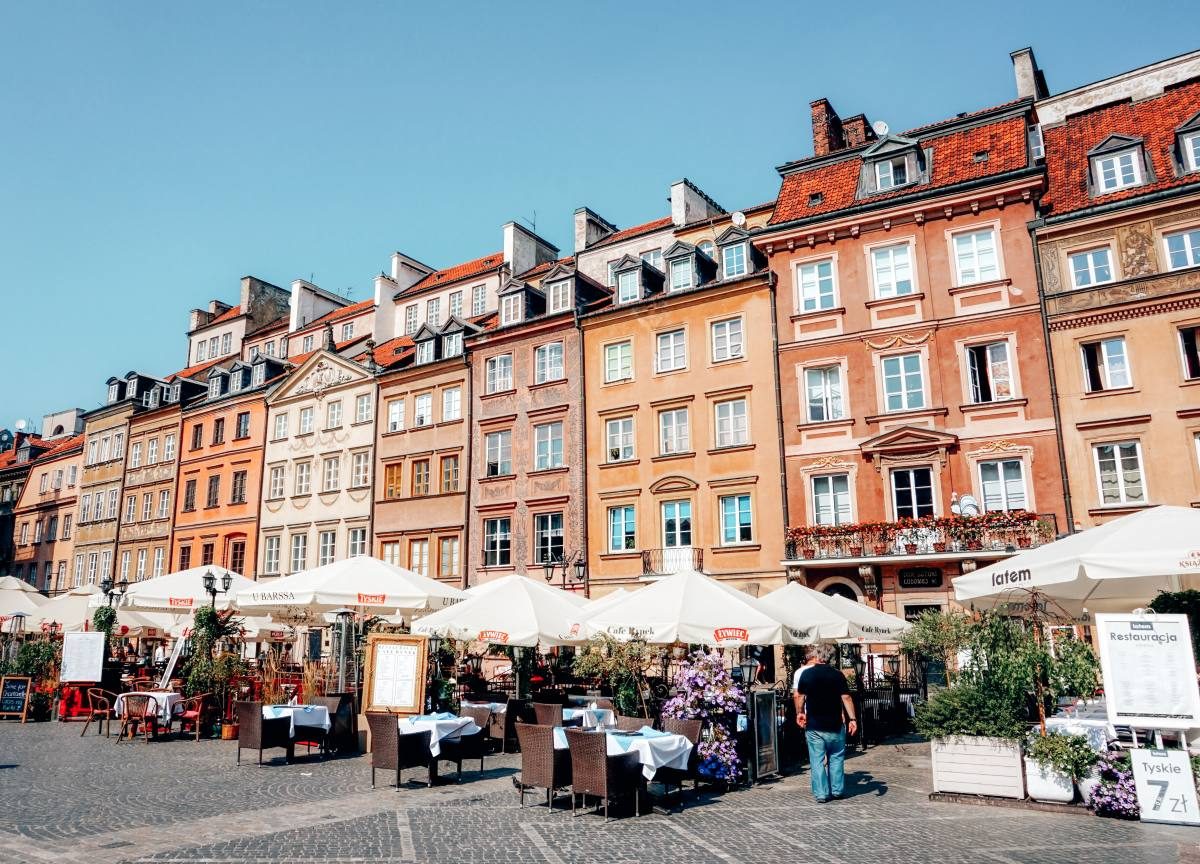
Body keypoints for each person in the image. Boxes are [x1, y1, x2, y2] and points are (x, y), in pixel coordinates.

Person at [794, 643, 858, 803]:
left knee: (817, 760)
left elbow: (799, 696)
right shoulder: (838, 675)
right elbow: (846, 697)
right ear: (832, 658)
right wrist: (853, 719)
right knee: (836, 757)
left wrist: (800, 712)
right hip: (835, 724)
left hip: (815, 725)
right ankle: (837, 790)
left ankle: (822, 794)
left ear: (817, 655)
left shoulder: (806, 675)